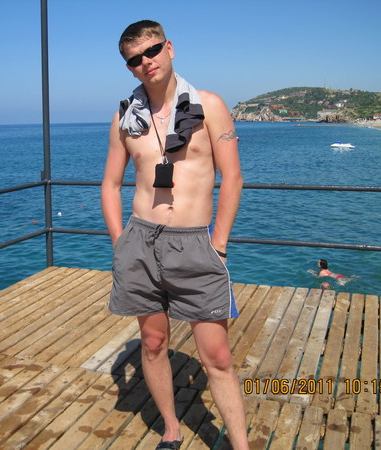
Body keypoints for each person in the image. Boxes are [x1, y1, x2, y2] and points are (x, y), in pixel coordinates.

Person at [101, 20, 248, 450]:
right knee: (152, 342)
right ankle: (171, 428)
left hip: (197, 243)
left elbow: (233, 177)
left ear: (169, 48)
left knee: (217, 356)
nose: (145, 62)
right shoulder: (125, 118)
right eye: (135, 59)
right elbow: (110, 184)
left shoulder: (210, 106)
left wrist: (219, 243)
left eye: (152, 51)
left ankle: (240, 445)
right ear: (129, 67)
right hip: (141, 242)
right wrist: (120, 241)